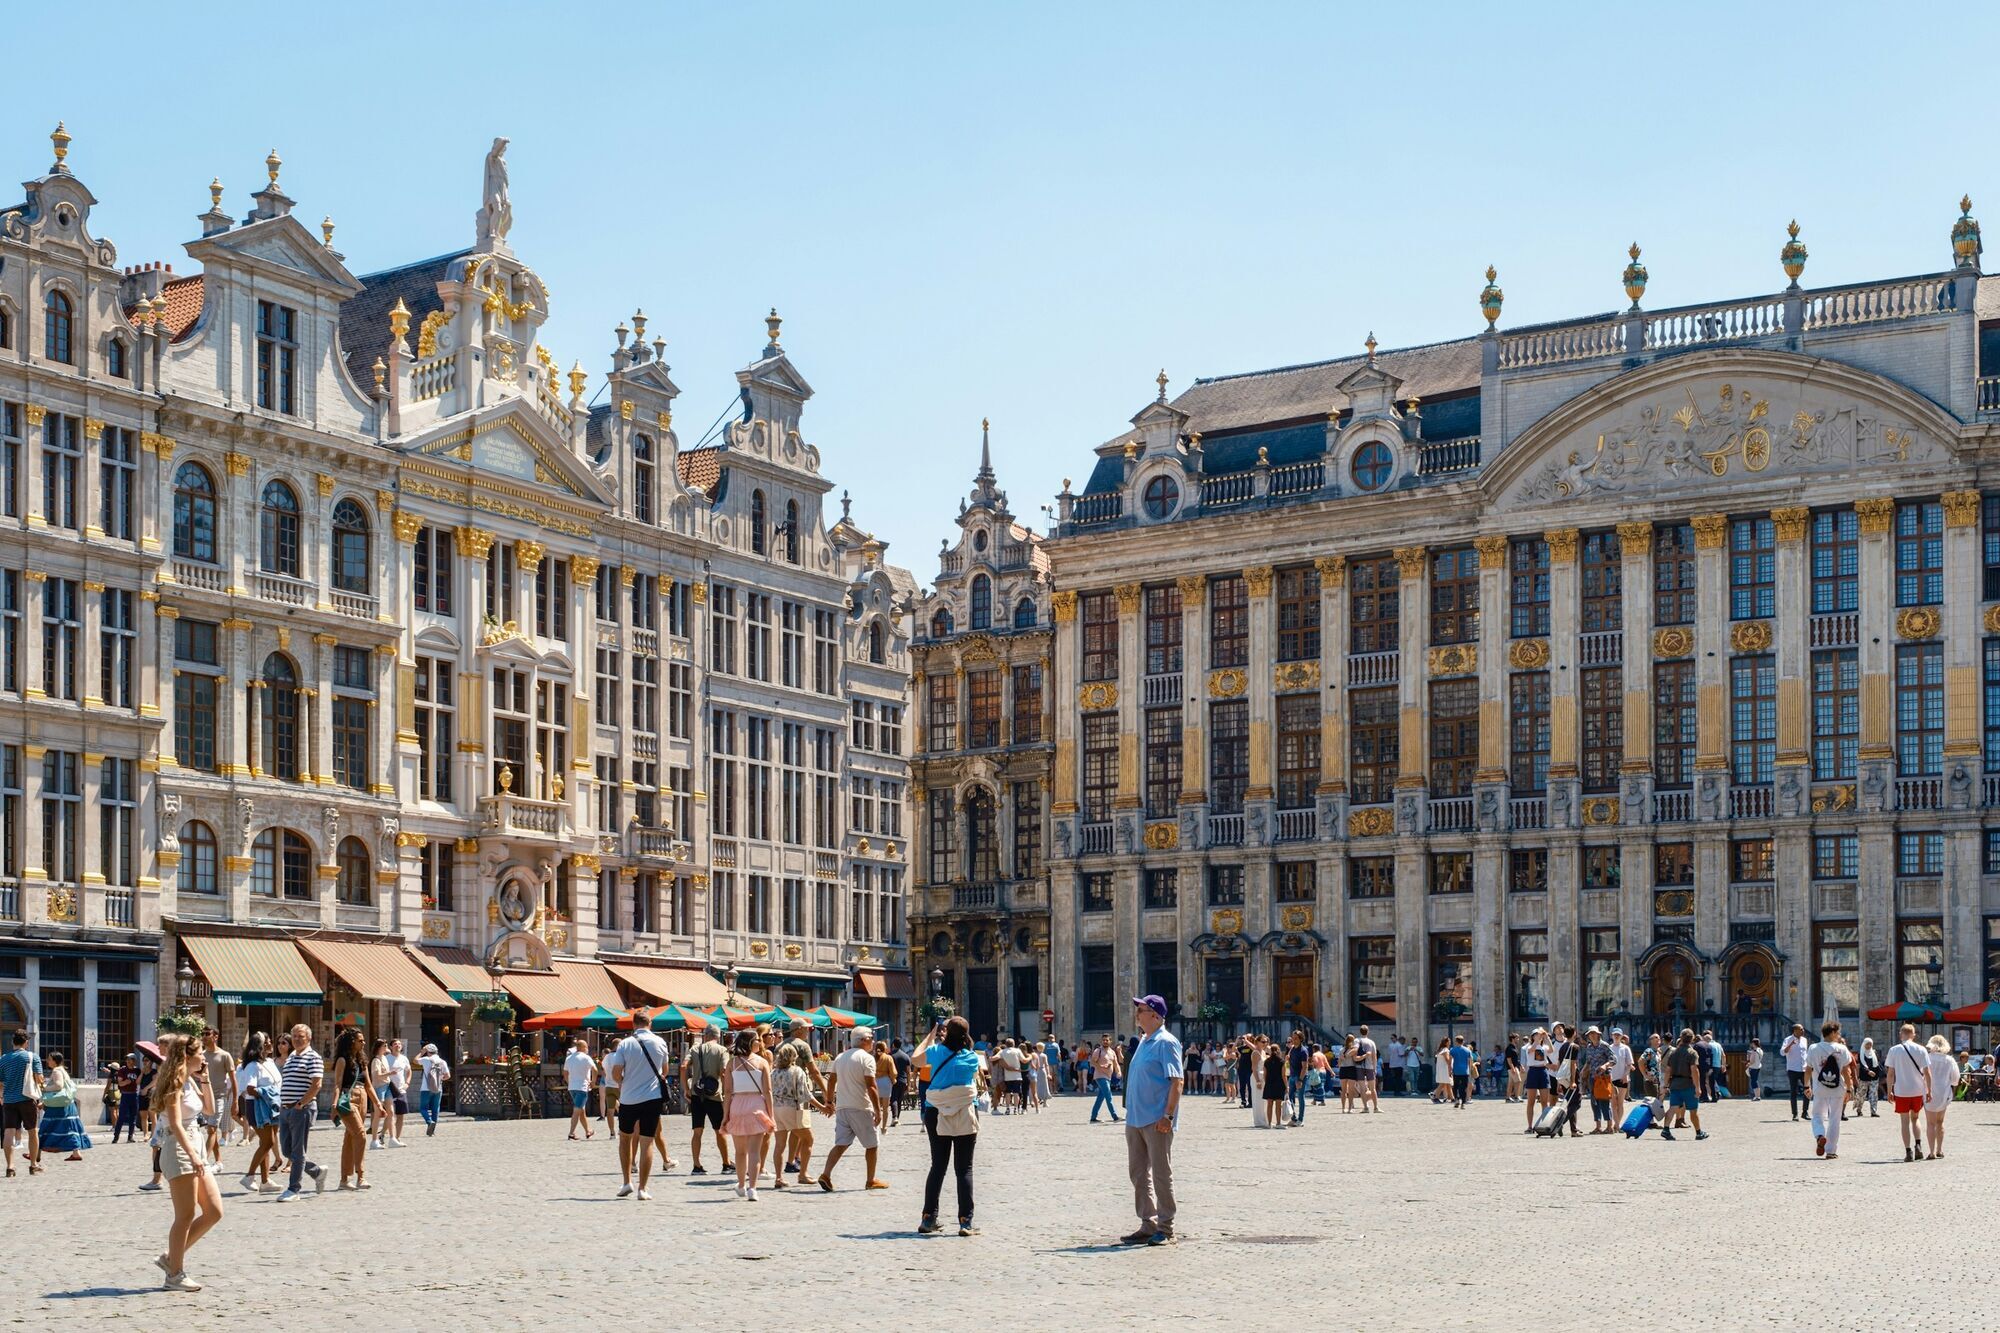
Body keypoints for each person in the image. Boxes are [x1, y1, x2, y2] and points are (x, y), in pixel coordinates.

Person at [150, 1035, 223, 1292]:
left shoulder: (191, 1079)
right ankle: (175, 1274)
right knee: (186, 1214)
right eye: (200, 1052)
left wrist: (205, 1079)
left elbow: (210, 1110)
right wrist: (192, 1154)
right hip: (180, 1148)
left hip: (196, 1144)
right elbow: (175, 1122)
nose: (204, 1056)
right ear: (186, 1056)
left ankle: (171, 1258)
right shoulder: (173, 1080)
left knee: (214, 1210)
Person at [1119, 996, 1182, 1246]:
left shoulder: (1166, 1043)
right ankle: (1148, 1222)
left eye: (1141, 1010)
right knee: (1138, 1173)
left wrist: (1168, 1115)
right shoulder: (1145, 1041)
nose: (1137, 1014)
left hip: (1156, 1120)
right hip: (1135, 1119)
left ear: (1155, 1015)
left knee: (1160, 1174)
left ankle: (1166, 1227)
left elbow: (1177, 1081)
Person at [915, 1015, 981, 1236]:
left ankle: (928, 1218)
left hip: (936, 1112)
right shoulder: (971, 1057)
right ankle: (965, 1222)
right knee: (964, 1169)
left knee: (938, 1166)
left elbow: (915, 1059)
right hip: (964, 1110)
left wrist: (931, 1036)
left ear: (946, 1032)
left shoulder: (936, 1052)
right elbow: (974, 1076)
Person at [604, 1007, 670, 1200]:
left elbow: (616, 1073)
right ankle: (643, 1188)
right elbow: (664, 1071)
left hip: (628, 1098)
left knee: (625, 1139)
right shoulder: (660, 1042)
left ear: (633, 1024)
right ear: (650, 1024)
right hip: (652, 1097)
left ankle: (627, 1182)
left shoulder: (625, 1044)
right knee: (647, 1141)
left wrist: (624, 1082)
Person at [816, 1027, 887, 1192]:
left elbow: (831, 1080)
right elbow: (871, 1086)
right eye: (870, 1037)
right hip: (861, 1106)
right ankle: (871, 1180)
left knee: (841, 1144)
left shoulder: (840, 1057)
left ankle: (826, 1174)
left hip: (843, 1107)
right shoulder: (867, 1059)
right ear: (862, 1040)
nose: (873, 1040)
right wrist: (878, 1110)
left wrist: (829, 1101)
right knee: (872, 1145)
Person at [275, 1024, 327, 1202]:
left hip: (301, 1109)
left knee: (297, 1150)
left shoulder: (313, 1057)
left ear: (309, 1038)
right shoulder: (291, 1057)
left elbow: (317, 1084)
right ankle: (316, 1171)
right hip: (286, 1109)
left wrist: (301, 1103)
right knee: (287, 1149)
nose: (296, 1039)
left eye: (301, 1036)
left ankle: (293, 1189)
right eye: (294, 1036)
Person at [722, 1028, 775, 1200]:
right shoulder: (762, 1062)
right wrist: (771, 1115)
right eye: (757, 1040)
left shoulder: (732, 1063)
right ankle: (753, 1187)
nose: (760, 1043)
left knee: (740, 1152)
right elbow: (767, 1091)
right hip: (757, 1105)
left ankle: (741, 1184)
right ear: (751, 1043)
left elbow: (728, 1092)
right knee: (754, 1151)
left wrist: (725, 1115)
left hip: (737, 1105)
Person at [327, 1030, 378, 1190]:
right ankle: (361, 1176)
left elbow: (369, 1085)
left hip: (362, 1097)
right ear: (351, 1042)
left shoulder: (362, 1061)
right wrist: (334, 1105)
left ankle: (344, 1180)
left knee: (350, 1138)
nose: (363, 1043)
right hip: (347, 1099)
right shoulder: (342, 1060)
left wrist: (378, 1105)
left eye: (363, 1040)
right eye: (360, 1040)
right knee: (360, 1134)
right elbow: (337, 1084)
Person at [769, 1043, 821, 1190]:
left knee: (779, 1145)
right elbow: (805, 1094)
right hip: (792, 1108)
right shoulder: (797, 1071)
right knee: (808, 1139)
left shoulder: (774, 1073)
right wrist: (822, 1107)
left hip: (776, 1109)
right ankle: (803, 1174)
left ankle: (779, 1178)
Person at [681, 1027, 731, 1175]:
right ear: (718, 1036)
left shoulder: (695, 1049)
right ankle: (726, 1163)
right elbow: (723, 1071)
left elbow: (684, 1066)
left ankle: (696, 1165)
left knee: (697, 1132)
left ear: (705, 1036)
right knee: (720, 1131)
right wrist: (726, 1092)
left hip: (697, 1094)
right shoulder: (722, 1050)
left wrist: (686, 1088)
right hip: (714, 1095)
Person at [235, 1033, 281, 1192]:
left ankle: (265, 1180)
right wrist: (268, 1093)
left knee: (265, 1143)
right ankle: (249, 1176)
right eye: (267, 1042)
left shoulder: (270, 1062)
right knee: (269, 1142)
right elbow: (250, 1088)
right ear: (260, 1046)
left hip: (272, 1106)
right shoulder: (252, 1066)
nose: (271, 1044)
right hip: (258, 1106)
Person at [1806, 1021, 1854, 1160]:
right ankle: (1831, 1151)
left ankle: (1820, 1135)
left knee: (1817, 1115)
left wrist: (1806, 1086)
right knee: (1834, 1119)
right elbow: (1846, 1071)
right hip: (1837, 1089)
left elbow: (1808, 1069)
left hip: (1820, 1088)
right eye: (1838, 1033)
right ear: (1832, 1032)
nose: (1839, 1035)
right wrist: (1849, 1089)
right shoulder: (1842, 1049)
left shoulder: (1813, 1048)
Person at [1886, 1023, 1932, 1162]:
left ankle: (1908, 1151)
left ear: (1901, 1034)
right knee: (1916, 1118)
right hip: (1918, 1090)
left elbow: (1890, 1073)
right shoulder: (1921, 1049)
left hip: (1901, 1090)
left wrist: (1889, 1090)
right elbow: (1927, 1072)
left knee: (1904, 1121)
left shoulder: (1894, 1050)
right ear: (1913, 1034)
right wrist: (1929, 1090)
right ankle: (1918, 1144)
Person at [0, 1029, 42, 1177]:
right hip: (27, 1099)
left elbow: (1, 1082)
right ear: (26, 1042)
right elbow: (39, 1079)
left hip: (9, 1100)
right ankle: (33, 1165)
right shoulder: (32, 1057)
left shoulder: (3, 1059)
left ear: (13, 1042)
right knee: (32, 1131)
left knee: (9, 1132)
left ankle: (10, 1167)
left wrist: (1, 1097)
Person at [36, 1053, 88, 1161]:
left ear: (55, 1061)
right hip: (67, 1104)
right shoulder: (62, 1070)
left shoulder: (56, 1071)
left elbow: (58, 1086)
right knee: (70, 1128)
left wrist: (45, 1088)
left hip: (57, 1107)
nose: (47, 1061)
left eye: (49, 1059)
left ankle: (36, 1154)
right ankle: (76, 1153)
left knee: (45, 1128)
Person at [1660, 1028, 1707, 1142]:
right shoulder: (1692, 1053)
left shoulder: (1673, 1053)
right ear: (1691, 1039)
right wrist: (1698, 1087)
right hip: (1688, 1084)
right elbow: (1694, 1070)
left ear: (1681, 1038)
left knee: (1673, 1108)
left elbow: (1667, 1070)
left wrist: (1665, 1085)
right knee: (1693, 1111)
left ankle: (1666, 1129)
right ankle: (1698, 1132)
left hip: (1675, 1084)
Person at [199, 1028, 235, 1166]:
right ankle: (218, 1159)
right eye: (202, 1034)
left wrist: (235, 1100)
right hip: (204, 1097)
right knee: (211, 1130)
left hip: (219, 1097)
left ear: (216, 1037)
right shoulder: (201, 1055)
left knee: (212, 1129)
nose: (204, 1037)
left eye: (207, 1034)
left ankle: (205, 1160)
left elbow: (233, 1078)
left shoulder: (224, 1055)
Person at [1922, 1034, 1960, 1160]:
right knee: (1940, 1122)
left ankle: (1931, 1151)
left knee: (1930, 1123)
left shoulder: (1926, 1058)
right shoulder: (1949, 1060)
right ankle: (1940, 1149)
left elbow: (1921, 1074)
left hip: (1929, 1092)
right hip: (1944, 1093)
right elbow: (1955, 1080)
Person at [562, 1036, 597, 1141]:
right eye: (586, 1047)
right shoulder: (586, 1058)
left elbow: (565, 1073)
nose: (587, 1049)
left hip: (572, 1087)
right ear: (583, 1047)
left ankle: (588, 1131)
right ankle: (571, 1133)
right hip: (582, 1087)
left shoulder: (569, 1058)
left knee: (582, 1111)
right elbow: (595, 1069)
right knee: (577, 1110)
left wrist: (569, 1082)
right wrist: (593, 1082)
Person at [415, 1043, 451, 1137]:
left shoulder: (426, 1059)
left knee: (423, 1108)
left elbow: (415, 1061)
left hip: (425, 1088)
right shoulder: (442, 1061)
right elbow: (447, 1076)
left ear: (428, 1052)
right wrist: (439, 1079)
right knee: (435, 1109)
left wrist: (421, 1052)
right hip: (438, 1088)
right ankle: (433, 1130)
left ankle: (429, 1121)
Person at [1520, 1028, 1553, 1132]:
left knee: (1544, 1101)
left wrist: (1547, 1038)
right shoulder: (1529, 1046)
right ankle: (1530, 1126)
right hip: (1533, 1071)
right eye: (1536, 1034)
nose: (1539, 1036)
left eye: (1539, 1035)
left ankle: (1544, 1124)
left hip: (1543, 1071)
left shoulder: (1544, 1047)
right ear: (1533, 1036)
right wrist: (1538, 1039)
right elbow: (1531, 1049)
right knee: (1531, 1101)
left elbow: (1552, 1050)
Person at [384, 1039, 413, 1146]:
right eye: (395, 1044)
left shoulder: (404, 1059)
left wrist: (407, 1083)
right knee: (389, 1114)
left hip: (401, 1090)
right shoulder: (386, 1058)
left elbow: (409, 1071)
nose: (398, 1046)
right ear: (391, 1047)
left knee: (400, 1115)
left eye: (399, 1044)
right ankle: (382, 1134)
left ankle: (397, 1138)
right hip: (389, 1089)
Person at [1088, 1035, 1123, 1123]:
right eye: (1103, 1040)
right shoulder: (1098, 1051)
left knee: (1100, 1098)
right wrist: (1101, 1066)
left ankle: (1093, 1117)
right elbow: (1092, 1062)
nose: (1105, 1042)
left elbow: (1115, 1063)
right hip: (1100, 1076)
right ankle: (1114, 1116)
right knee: (1108, 1095)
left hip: (1108, 1077)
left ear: (1110, 1041)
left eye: (1107, 1040)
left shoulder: (1112, 1052)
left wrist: (1118, 1072)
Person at [1780, 1023, 1810, 1121]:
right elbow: (1782, 1053)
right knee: (1794, 1092)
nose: (1803, 1031)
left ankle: (1805, 1113)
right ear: (1795, 1031)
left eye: (1802, 1029)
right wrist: (1790, 1044)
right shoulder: (1787, 1039)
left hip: (1804, 1069)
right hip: (1792, 1069)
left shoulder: (1805, 1040)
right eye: (1801, 1029)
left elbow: (1805, 1054)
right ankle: (1795, 1114)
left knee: (1808, 1090)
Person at [1851, 1038, 1882, 1119]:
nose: (1869, 1046)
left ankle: (1873, 1111)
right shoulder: (1861, 1053)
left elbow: (1877, 1064)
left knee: (1874, 1094)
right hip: (1864, 1077)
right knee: (1861, 1095)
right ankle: (1859, 1109)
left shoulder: (1874, 1052)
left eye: (1870, 1044)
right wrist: (1868, 1071)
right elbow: (1861, 1064)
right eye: (1867, 1044)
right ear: (1864, 1044)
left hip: (1874, 1077)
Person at [1260, 1039, 1287, 1129]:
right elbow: (1284, 1075)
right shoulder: (1282, 1062)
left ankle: (1269, 1123)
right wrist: (1286, 1086)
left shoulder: (1266, 1061)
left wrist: (1267, 1082)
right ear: (1278, 1050)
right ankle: (1278, 1123)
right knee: (1278, 1105)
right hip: (1279, 1084)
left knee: (1269, 1104)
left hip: (1269, 1084)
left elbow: (1264, 1074)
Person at [1285, 1031, 1309, 1126]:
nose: (1293, 1040)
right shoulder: (1292, 1049)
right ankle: (1293, 1118)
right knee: (1289, 1097)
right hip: (1292, 1075)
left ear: (1300, 1039)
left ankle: (1301, 1119)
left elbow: (1305, 1067)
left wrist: (1300, 1080)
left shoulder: (1303, 1051)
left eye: (1295, 1038)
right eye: (1292, 1038)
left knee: (1300, 1097)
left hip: (1300, 1076)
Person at [1355, 1025, 1380, 1112]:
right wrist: (1375, 1067)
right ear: (1368, 1031)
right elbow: (1374, 1056)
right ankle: (1376, 1107)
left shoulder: (1356, 1040)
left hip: (1359, 1066)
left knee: (1362, 1088)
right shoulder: (1371, 1042)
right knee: (1372, 1088)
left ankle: (1366, 1107)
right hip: (1370, 1066)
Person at [1449, 1035, 1476, 1111]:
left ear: (1456, 1041)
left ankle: (1457, 1099)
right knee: (1463, 1087)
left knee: (1455, 1086)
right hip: (1465, 1071)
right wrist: (1470, 1070)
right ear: (1463, 1041)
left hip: (1456, 1071)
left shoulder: (1452, 1050)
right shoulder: (1468, 1051)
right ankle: (1463, 1103)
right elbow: (1470, 1061)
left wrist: (1449, 1070)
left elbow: (1449, 1061)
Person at [1745, 1038, 1764, 1102]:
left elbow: (1752, 1061)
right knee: (1756, 1081)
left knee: (1753, 1082)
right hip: (1758, 1067)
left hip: (1753, 1067)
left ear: (1753, 1043)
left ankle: (1757, 1096)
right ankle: (1758, 1096)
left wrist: (1748, 1064)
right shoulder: (1760, 1050)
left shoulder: (1754, 1051)